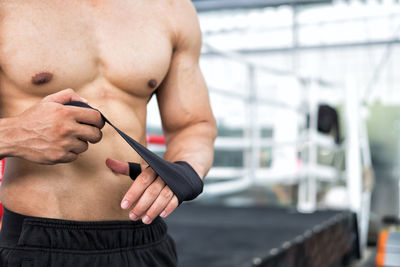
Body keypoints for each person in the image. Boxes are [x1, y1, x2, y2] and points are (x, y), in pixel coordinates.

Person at [0, 0, 217, 266]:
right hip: (38, 243)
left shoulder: (172, 8)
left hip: (145, 238)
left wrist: (184, 169)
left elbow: (194, 124)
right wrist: (13, 134)